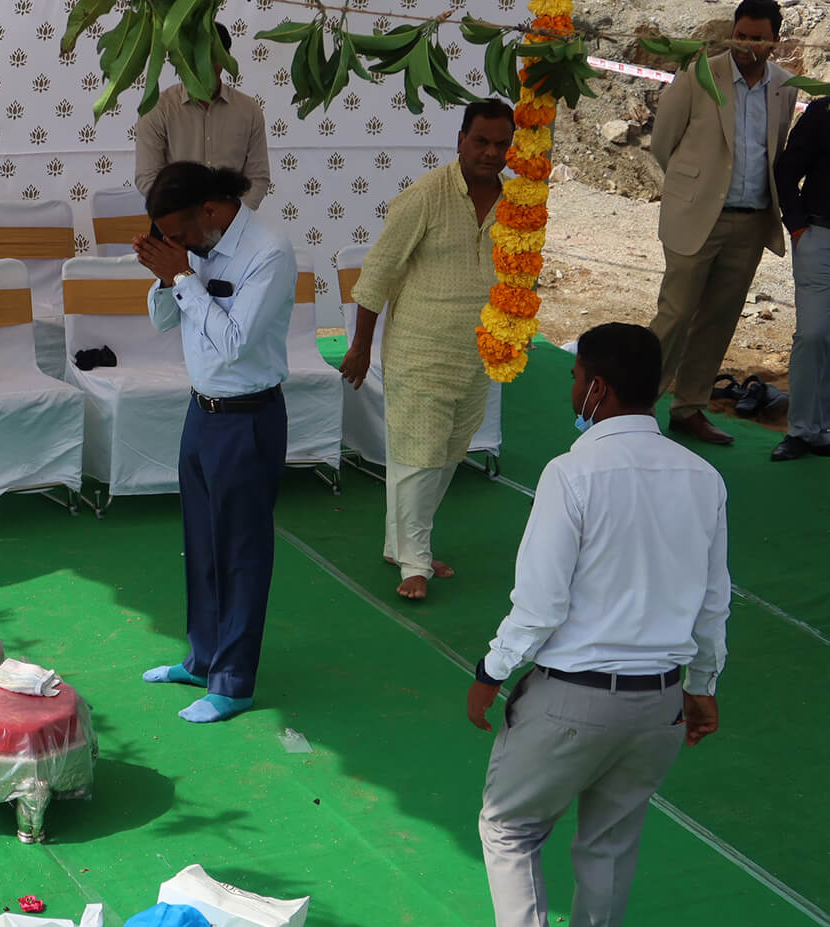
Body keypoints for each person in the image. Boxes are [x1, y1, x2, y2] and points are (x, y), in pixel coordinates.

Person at [468, 322, 729, 927]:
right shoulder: (703, 478)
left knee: (509, 828)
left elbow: (539, 605)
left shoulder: (571, 474)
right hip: (658, 704)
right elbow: (714, 603)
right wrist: (702, 686)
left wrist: (492, 669)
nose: (572, 389)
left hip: (573, 700)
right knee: (609, 847)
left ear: (598, 389)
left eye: (575, 377)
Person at [132, 162, 292, 724]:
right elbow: (160, 322)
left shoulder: (267, 253)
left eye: (176, 233)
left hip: (248, 418)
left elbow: (234, 345)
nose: (174, 244)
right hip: (201, 414)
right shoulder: (194, 247)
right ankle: (202, 659)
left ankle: (234, 681)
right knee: (200, 544)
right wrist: (164, 272)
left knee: (242, 552)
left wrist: (182, 276)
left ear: (211, 210)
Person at [338, 99, 515, 601]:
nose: (491, 152)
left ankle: (402, 543)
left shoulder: (518, 202)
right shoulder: (426, 196)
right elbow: (378, 273)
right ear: (460, 139)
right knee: (418, 454)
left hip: (479, 350)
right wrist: (360, 346)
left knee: (448, 454)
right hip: (421, 346)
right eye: (481, 141)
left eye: (501, 143)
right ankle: (415, 562)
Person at [649, 0, 797, 446]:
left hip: (750, 224)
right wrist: (693, 188)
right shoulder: (699, 75)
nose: (746, 45)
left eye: (757, 38)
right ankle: (634, 409)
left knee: (718, 320)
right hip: (695, 217)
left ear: (775, 40)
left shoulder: (785, 86)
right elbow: (663, 142)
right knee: (674, 316)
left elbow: (778, 146)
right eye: (741, 35)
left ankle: (688, 409)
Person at [134, 22, 271, 211]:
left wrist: (231, 216)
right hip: (177, 222)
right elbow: (147, 177)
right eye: (194, 55)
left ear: (226, 58)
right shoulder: (156, 108)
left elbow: (258, 177)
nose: (202, 64)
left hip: (233, 223)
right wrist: (189, 216)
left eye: (211, 56)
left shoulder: (249, 110)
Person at [770, 94, 830, 461]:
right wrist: (796, 225)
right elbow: (787, 170)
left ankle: (821, 429)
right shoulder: (823, 111)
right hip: (819, 236)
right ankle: (802, 431)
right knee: (813, 333)